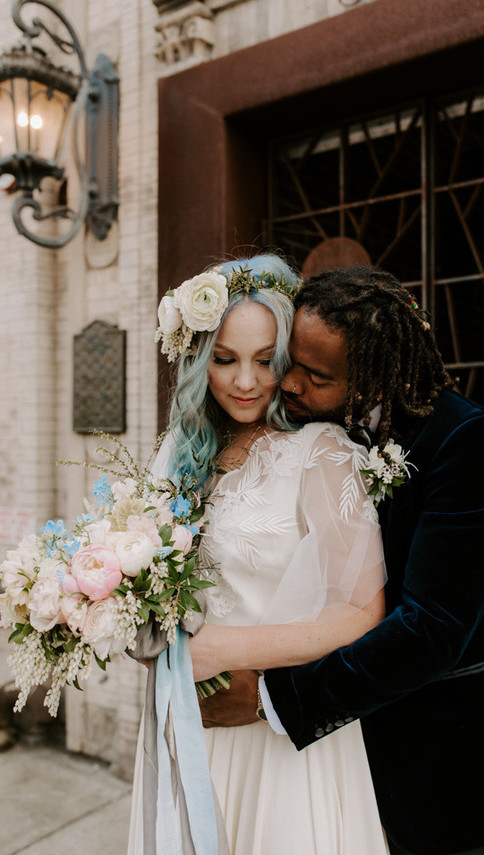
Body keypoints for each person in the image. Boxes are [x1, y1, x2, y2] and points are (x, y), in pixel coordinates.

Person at [192, 265, 484, 855]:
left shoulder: (472, 444)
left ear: (376, 376)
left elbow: (433, 629)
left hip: (439, 759)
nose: (291, 384)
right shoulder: (309, 432)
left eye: (316, 374)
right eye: (292, 362)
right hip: (327, 767)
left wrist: (269, 699)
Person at [128, 254, 390, 855]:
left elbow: (362, 611)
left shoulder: (321, 453)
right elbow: (145, 573)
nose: (244, 382)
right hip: (187, 721)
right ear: (199, 362)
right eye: (224, 360)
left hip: (275, 732)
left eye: (264, 361)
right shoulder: (177, 452)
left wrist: (223, 651)